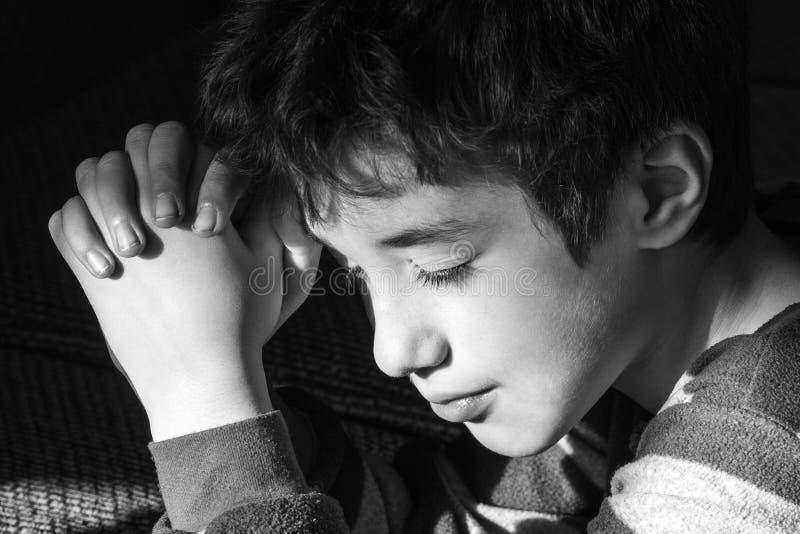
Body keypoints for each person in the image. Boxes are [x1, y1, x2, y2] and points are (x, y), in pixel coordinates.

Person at [47, 1, 800, 532]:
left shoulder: (765, 441)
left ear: (658, 190)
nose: (391, 352)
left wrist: (201, 401)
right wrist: (205, 350)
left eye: (439, 266)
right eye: (353, 273)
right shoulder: (617, 344)